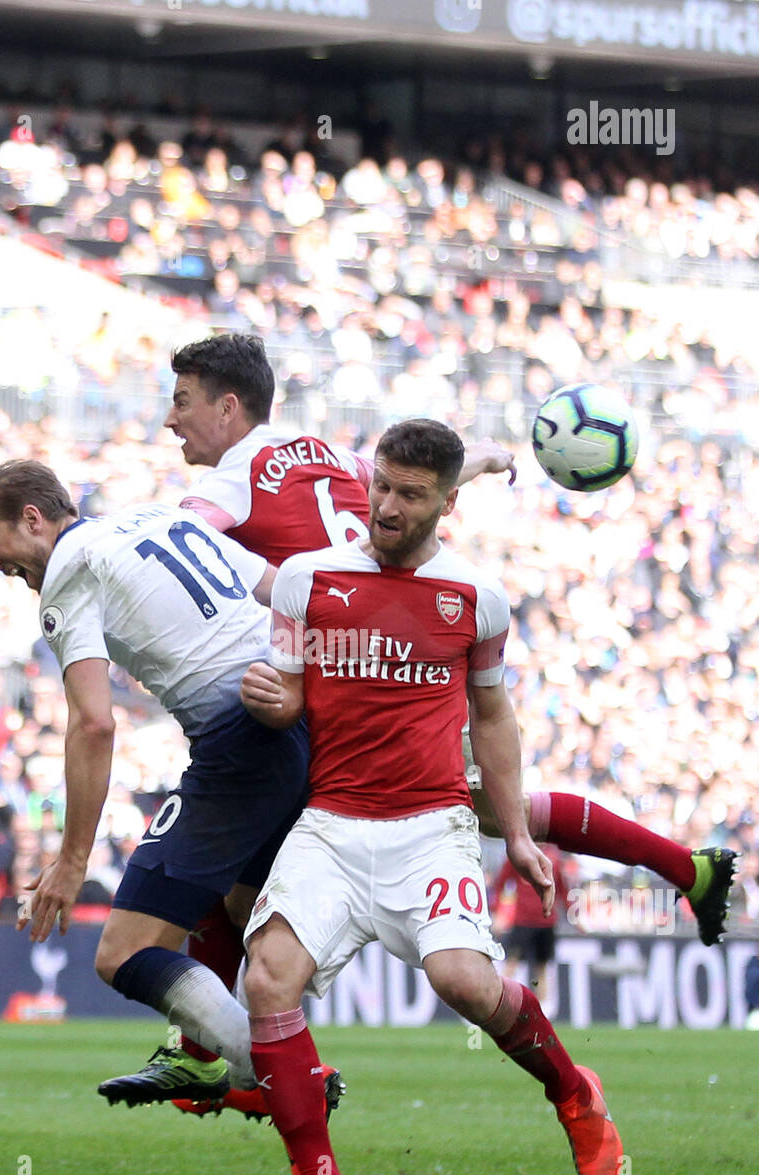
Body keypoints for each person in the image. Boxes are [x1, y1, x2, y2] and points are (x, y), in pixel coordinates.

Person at [102, 333, 736, 1110]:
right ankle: (687, 868)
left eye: (183, 402)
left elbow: (177, 541)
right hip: (393, 652)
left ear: (228, 407)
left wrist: (113, 551)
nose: (173, 421)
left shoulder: (231, 487)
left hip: (345, 674)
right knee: (451, 812)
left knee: (263, 840)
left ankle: (211, 1053)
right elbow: (408, 488)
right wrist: (479, 461)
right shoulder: (328, 454)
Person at [238, 418, 623, 1175]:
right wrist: (275, 701)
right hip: (332, 824)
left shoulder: (474, 598)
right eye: (380, 485)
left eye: (409, 495)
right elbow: (291, 694)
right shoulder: (307, 580)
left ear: (447, 503)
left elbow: (493, 715)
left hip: (430, 824)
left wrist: (516, 832)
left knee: (464, 983)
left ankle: (573, 1091)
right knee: (268, 978)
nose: (386, 505)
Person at [0, 459, 327, 1111]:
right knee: (241, 914)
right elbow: (285, 589)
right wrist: (304, 678)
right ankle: (280, 1127)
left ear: (33, 518)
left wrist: (72, 862)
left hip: (239, 745)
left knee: (123, 953)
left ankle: (279, 1073)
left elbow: (95, 723)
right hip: (293, 727)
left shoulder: (69, 575)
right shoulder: (156, 515)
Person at [491, 843, 569, 1009]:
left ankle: (543, 1011)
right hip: (522, 921)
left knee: (541, 967)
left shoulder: (553, 858)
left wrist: (574, 914)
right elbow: (501, 884)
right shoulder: (518, 854)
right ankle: (501, 1006)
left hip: (546, 921)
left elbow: (563, 889)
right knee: (512, 963)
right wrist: (498, 913)